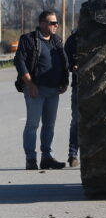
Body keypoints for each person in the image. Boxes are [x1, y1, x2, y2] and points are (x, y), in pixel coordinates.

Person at [15, 10, 70, 170]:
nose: (56, 25)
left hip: (53, 90)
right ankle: (31, 159)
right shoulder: (29, 39)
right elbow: (19, 62)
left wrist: (64, 82)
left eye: (56, 22)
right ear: (42, 24)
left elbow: (64, 62)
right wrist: (30, 84)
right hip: (36, 89)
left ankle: (47, 157)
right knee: (32, 124)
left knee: (49, 125)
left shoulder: (56, 40)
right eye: (52, 23)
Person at [64, 26, 80, 167]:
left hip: (105, 88)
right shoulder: (73, 39)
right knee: (76, 121)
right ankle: (72, 154)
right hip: (79, 86)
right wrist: (72, 67)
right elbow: (65, 60)